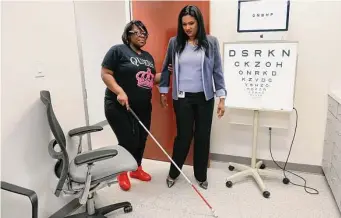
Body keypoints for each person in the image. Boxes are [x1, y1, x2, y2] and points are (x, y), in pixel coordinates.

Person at [159, 5, 227, 190]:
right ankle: (174, 172)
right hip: (182, 99)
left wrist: (221, 98)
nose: (187, 28)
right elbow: (166, 67)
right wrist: (163, 91)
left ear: (199, 23)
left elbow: (217, 71)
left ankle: (201, 175)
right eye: (184, 24)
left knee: (203, 136)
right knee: (183, 136)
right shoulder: (175, 42)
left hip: (205, 98)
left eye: (191, 23)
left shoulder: (211, 42)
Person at [101, 20, 161, 191]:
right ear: (128, 34)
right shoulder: (117, 51)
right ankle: (122, 172)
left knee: (142, 139)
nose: (142, 36)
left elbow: (151, 79)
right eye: (138, 33)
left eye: (145, 33)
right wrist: (119, 91)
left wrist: (168, 74)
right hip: (118, 105)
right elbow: (105, 73)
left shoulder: (148, 57)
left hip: (143, 106)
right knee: (128, 140)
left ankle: (136, 168)